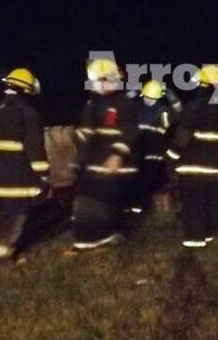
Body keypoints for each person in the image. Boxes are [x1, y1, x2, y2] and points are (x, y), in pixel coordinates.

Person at [0, 68, 50, 262]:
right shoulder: (28, 113)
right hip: (17, 180)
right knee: (13, 217)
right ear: (28, 89)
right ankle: (1, 256)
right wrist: (43, 175)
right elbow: (35, 149)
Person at [72, 59, 140, 251]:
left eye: (104, 79)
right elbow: (86, 131)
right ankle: (88, 240)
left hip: (114, 164)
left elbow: (130, 131)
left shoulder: (125, 103)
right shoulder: (93, 104)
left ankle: (100, 238)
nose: (100, 84)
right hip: (94, 163)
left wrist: (117, 154)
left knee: (97, 202)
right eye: (96, 80)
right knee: (86, 201)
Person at [168, 64, 218, 248]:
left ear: (203, 85)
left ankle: (194, 241)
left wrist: (172, 157)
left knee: (193, 204)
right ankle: (210, 235)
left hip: (193, 167)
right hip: (215, 168)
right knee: (211, 204)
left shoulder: (195, 107)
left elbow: (183, 136)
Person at [136, 80, 174, 210]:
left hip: (153, 150)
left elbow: (166, 127)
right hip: (142, 150)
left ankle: (146, 207)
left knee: (150, 179)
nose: (145, 99)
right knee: (143, 178)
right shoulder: (140, 109)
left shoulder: (162, 111)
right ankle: (142, 206)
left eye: (147, 97)